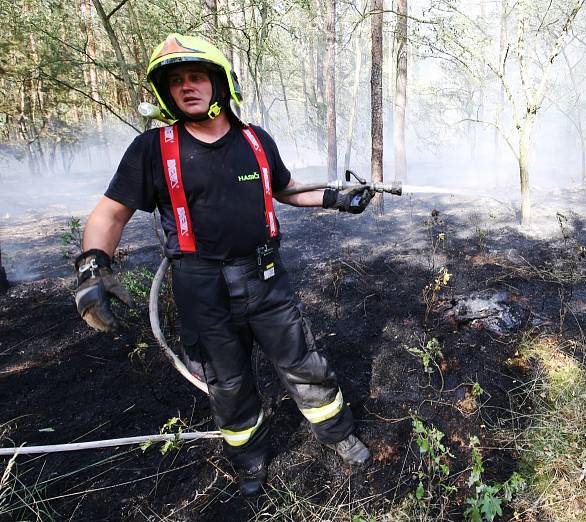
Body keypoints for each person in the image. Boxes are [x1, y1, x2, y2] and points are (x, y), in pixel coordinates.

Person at [72, 33, 373, 497]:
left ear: (218, 82)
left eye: (195, 77)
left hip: (266, 278)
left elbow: (287, 190)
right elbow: (110, 213)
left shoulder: (254, 140)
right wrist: (92, 269)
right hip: (200, 287)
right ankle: (249, 461)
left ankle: (338, 435)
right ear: (165, 93)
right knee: (228, 384)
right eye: (175, 81)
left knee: (302, 363)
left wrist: (337, 197)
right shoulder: (153, 150)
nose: (186, 87)